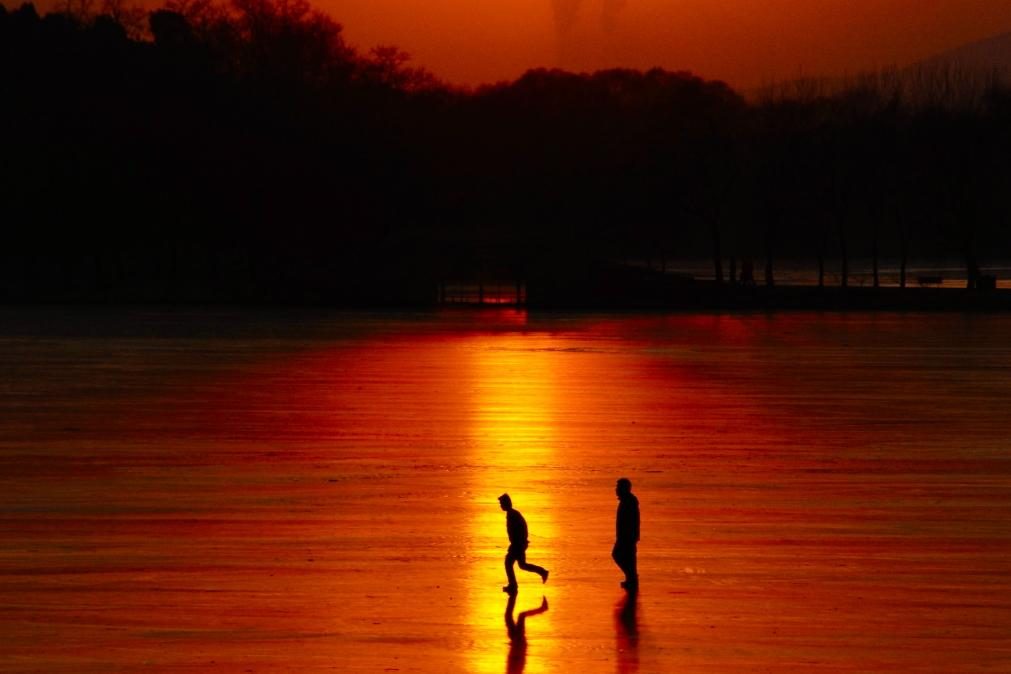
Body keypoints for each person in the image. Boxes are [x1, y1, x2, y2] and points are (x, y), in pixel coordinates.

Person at [498, 493, 549, 595]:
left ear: (506, 503)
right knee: (522, 565)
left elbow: (521, 530)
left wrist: (519, 544)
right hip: (518, 544)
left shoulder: (513, 515)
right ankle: (542, 572)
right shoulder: (512, 514)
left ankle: (513, 586)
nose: (500, 506)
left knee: (508, 563)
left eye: (501, 503)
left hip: (518, 544)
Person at [612, 477, 639, 590]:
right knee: (628, 558)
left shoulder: (629, 502)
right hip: (626, 535)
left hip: (627, 536)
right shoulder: (626, 501)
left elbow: (632, 520)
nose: (616, 489)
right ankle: (631, 579)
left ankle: (631, 578)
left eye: (618, 487)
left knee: (618, 555)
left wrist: (630, 535)